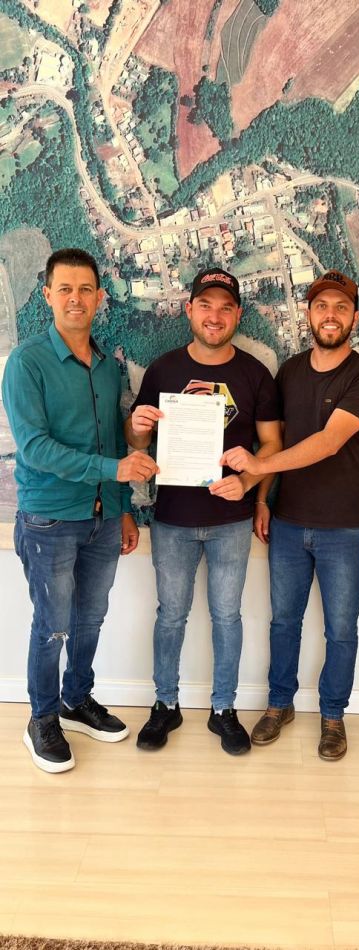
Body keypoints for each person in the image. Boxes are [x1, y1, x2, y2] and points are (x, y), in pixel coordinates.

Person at [2, 248, 158, 774]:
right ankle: (42, 719)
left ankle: (76, 699)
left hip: (104, 520)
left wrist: (124, 507)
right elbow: (35, 448)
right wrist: (115, 471)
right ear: (48, 294)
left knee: (90, 619)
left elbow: (114, 439)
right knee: (52, 626)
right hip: (49, 520)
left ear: (98, 297)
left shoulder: (109, 367)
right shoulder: (26, 363)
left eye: (85, 289)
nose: (76, 298)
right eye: (65, 289)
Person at [222, 270, 359, 760]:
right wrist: (262, 498)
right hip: (288, 523)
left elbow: (328, 442)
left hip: (344, 528)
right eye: (321, 306)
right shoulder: (289, 372)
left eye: (340, 307)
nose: (330, 315)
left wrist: (256, 468)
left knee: (341, 630)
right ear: (308, 314)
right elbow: (276, 442)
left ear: (355, 318)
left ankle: (333, 715)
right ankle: (279, 704)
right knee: (283, 623)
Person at [126, 267, 281, 756]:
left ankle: (223, 709)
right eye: (206, 306)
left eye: (225, 307)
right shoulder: (162, 370)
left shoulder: (255, 374)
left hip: (231, 522)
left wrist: (248, 482)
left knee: (227, 616)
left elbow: (272, 445)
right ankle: (165, 703)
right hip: (172, 519)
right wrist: (137, 426)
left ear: (238, 314)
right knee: (170, 616)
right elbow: (138, 443)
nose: (215, 316)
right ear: (189, 310)